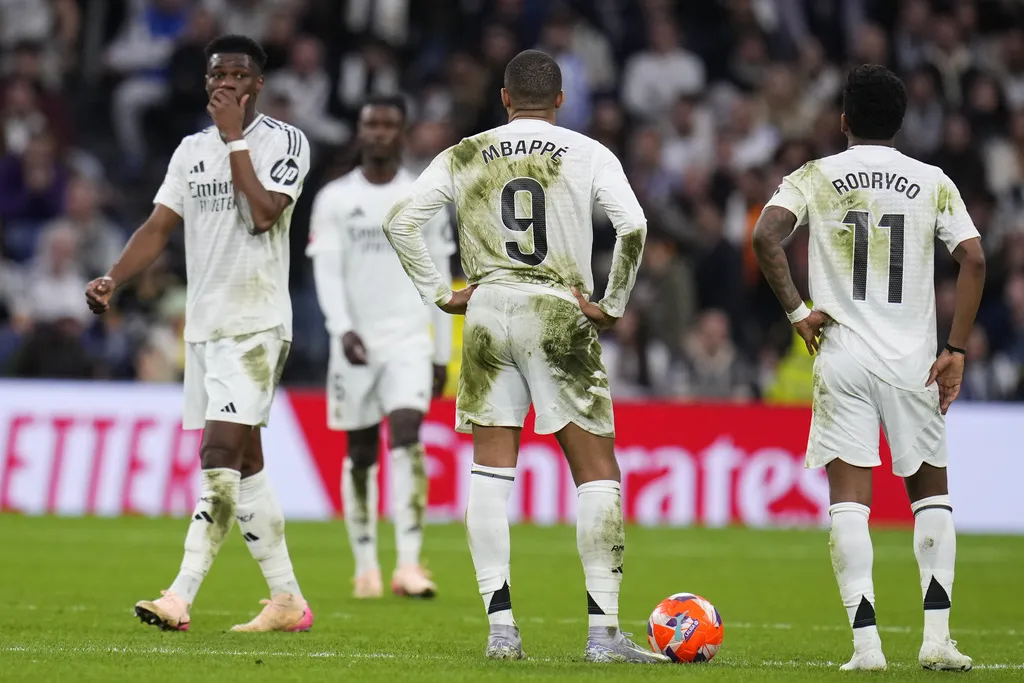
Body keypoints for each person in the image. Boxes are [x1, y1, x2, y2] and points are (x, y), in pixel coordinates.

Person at [382, 49, 668, 664]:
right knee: (597, 473)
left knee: (490, 473)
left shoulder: (465, 152)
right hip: (557, 308)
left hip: (488, 310)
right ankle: (603, 635)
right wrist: (612, 303)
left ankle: (502, 632)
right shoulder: (588, 152)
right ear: (560, 99)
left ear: (505, 99)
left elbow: (401, 222)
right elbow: (634, 226)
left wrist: (443, 294)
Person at [752, 64, 985, 672]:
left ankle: (867, 648)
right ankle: (936, 640)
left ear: (843, 120)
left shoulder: (814, 175)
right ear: (901, 122)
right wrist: (956, 349)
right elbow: (974, 259)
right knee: (930, 497)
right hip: (914, 362)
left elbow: (765, 237)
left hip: (842, 356)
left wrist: (798, 312)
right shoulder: (932, 181)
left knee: (850, 505)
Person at [85, 35, 313, 634]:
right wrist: (115, 278)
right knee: (247, 464)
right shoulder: (190, 151)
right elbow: (159, 226)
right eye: (217, 74)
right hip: (206, 327)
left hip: (256, 324)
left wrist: (236, 137)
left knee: (217, 457)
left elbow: (264, 214)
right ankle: (287, 599)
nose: (226, 83)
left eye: (239, 74)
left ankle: (179, 595)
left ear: (257, 84)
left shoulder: (285, 141)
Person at [306, 95, 454, 599]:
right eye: (372, 124)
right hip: (355, 342)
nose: (380, 133)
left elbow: (439, 277)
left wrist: (440, 352)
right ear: (361, 131)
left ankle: (409, 564)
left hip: (409, 339)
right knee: (361, 451)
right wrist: (342, 328)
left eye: (389, 125)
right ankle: (366, 564)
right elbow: (327, 272)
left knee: (408, 434)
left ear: (402, 132)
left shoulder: (423, 197)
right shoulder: (334, 198)